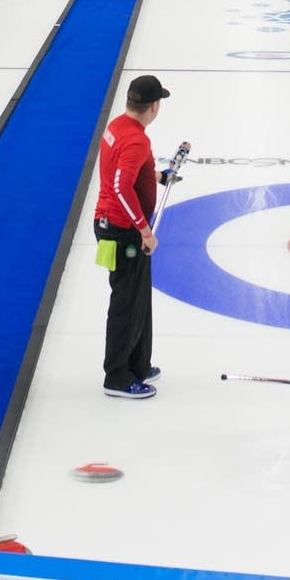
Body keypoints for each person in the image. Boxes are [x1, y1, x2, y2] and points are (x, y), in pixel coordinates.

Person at [94, 74, 178, 400]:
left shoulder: (118, 127)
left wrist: (158, 176)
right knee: (127, 303)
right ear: (154, 106)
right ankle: (117, 375)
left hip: (117, 226)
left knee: (139, 298)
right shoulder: (137, 140)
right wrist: (144, 229)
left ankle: (138, 364)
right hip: (122, 231)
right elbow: (120, 186)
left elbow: (125, 169)